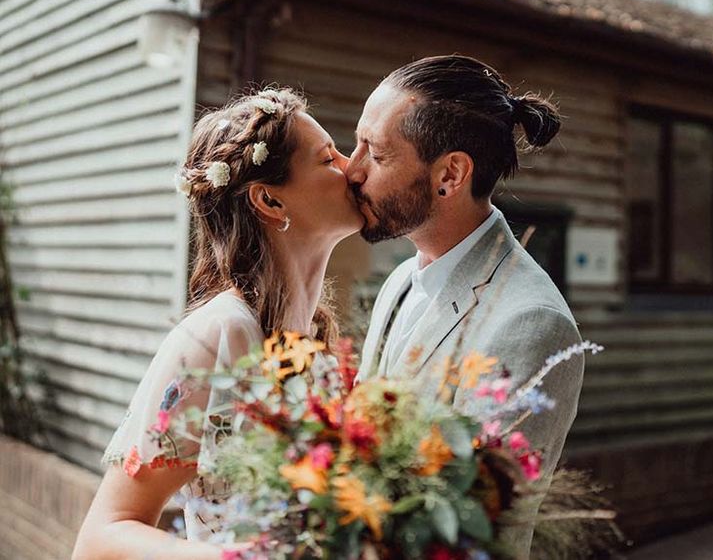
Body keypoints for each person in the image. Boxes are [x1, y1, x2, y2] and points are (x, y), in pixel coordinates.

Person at [72, 87, 361, 559]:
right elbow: (103, 535)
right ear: (270, 200)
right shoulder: (220, 333)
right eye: (329, 158)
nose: (352, 167)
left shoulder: (318, 342)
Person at [348, 54, 585, 560]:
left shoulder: (530, 322)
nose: (352, 169)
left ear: (450, 175)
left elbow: (476, 529)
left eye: (377, 154)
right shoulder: (398, 280)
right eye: (357, 144)